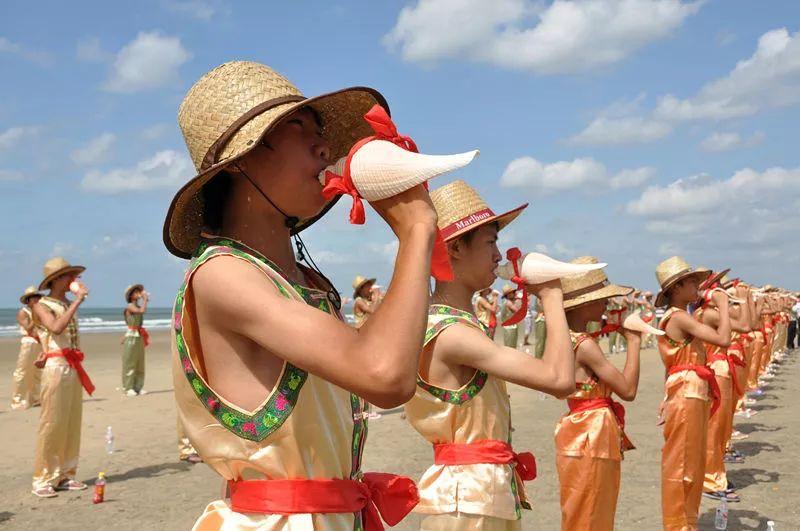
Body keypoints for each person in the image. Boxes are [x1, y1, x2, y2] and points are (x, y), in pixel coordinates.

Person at [163, 61, 438, 529]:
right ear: (242, 159)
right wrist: (416, 230)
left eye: (320, 130)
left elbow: (378, 360)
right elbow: (386, 377)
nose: (324, 146)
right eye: (297, 127)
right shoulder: (221, 274)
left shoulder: (309, 283)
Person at [404, 180, 574, 530]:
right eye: (491, 243)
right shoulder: (453, 333)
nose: (499, 255)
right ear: (454, 249)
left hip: (476, 494)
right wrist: (553, 296)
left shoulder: (453, 324)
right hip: (468, 501)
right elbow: (559, 380)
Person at [555, 256, 640, 531]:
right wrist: (634, 342)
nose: (607, 304)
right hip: (592, 431)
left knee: (578, 506)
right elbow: (627, 390)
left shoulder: (564, 338)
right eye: (602, 298)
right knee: (595, 508)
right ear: (586, 303)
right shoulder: (584, 345)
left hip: (577, 427)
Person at [654, 256, 731, 531]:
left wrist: (665, 397)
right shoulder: (678, 317)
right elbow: (723, 340)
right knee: (683, 464)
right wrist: (723, 306)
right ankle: (679, 525)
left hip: (688, 390)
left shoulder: (679, 317)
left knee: (692, 463)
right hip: (688, 392)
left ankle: (687, 522)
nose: (698, 286)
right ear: (677, 288)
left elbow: (670, 364)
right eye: (692, 282)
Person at [30, 257, 93, 498]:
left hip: (72, 366)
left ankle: (66, 473)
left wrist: (73, 301)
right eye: (69, 276)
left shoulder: (65, 303)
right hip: (56, 367)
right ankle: (43, 478)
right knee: (52, 423)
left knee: (70, 422)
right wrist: (78, 301)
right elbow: (55, 328)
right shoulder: (41, 304)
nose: (73, 280)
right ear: (56, 280)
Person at [692, 270, 751, 503]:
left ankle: (715, 473)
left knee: (720, 425)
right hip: (716, 371)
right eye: (718, 286)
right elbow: (746, 326)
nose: (722, 290)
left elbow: (748, 323)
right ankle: (710, 478)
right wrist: (740, 301)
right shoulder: (707, 314)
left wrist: (743, 300)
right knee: (715, 428)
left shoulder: (713, 312)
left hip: (721, 370)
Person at [11, 287, 45, 410]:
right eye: (34, 297)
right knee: (22, 371)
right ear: (28, 300)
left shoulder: (40, 311)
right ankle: (17, 400)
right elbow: (29, 329)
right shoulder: (23, 312)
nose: (37, 299)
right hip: (29, 343)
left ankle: (36, 398)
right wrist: (36, 314)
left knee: (37, 372)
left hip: (39, 343)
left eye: (38, 297)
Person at [122, 284, 149, 396]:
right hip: (132, 336)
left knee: (139, 362)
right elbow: (141, 311)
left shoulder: (137, 306)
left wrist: (144, 300)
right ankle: (128, 387)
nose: (139, 293)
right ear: (131, 296)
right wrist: (145, 299)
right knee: (130, 362)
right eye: (136, 292)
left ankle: (138, 386)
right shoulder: (130, 306)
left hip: (139, 335)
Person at [500, 284, 522, 349]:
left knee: (510, 345)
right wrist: (519, 300)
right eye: (512, 293)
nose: (513, 294)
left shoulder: (506, 301)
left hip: (509, 326)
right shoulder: (508, 302)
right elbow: (517, 311)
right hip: (510, 327)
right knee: (511, 346)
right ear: (508, 295)